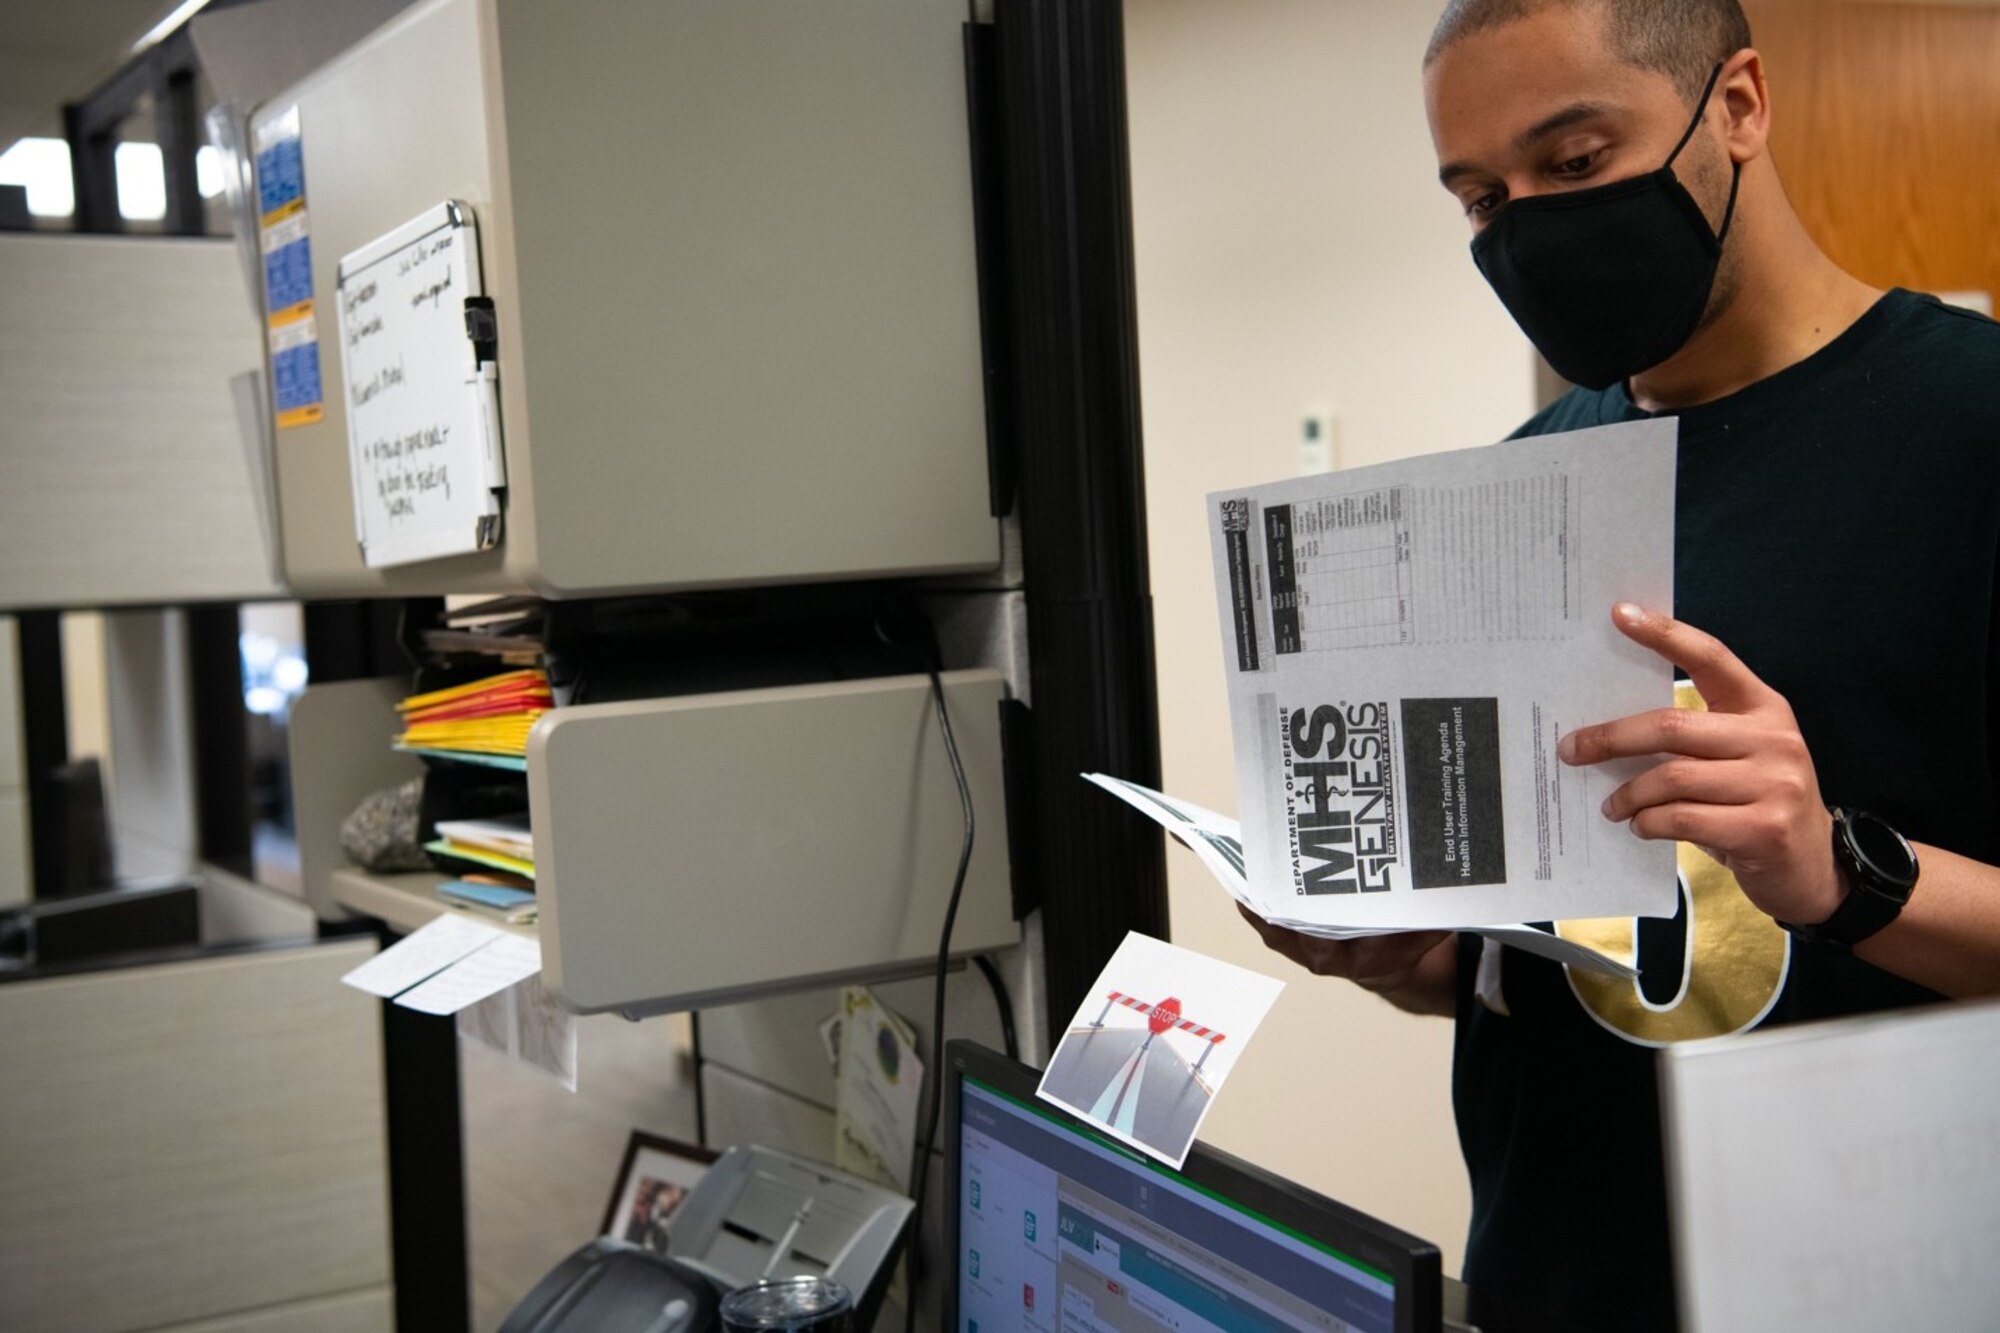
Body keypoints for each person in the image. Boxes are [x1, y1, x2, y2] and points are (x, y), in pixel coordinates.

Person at [1241, 1, 2000, 1328]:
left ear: (1741, 106)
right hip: (1552, 1277)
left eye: (1578, 162)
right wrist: (1406, 953)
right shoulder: (1528, 480)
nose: (1527, 225)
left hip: (1875, 1280)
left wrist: (1841, 870)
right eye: (1481, 198)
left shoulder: (1971, 434)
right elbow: (1551, 957)